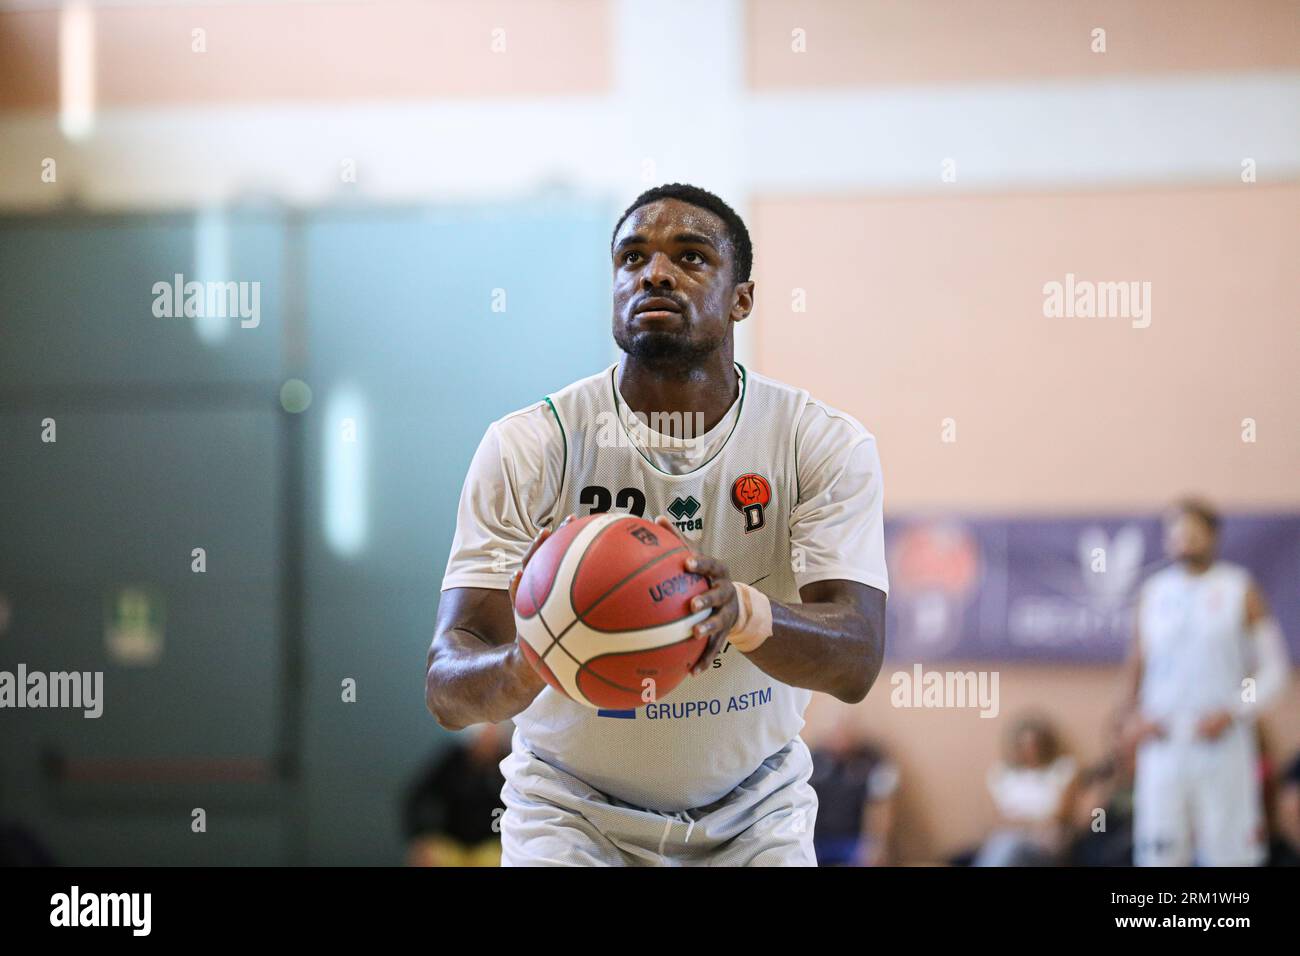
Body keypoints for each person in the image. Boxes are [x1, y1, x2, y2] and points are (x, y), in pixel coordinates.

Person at [426, 183, 889, 866]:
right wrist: (527, 662)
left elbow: (855, 659)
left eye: (691, 256)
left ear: (743, 298)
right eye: (632, 256)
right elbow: (446, 682)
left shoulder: (819, 443)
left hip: (755, 810)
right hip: (569, 808)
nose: (655, 272)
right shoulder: (530, 445)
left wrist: (743, 614)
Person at [1117, 498, 1290, 866]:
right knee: (1159, 852)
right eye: (1177, 533)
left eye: (1194, 532)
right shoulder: (1154, 592)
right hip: (1162, 742)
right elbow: (1138, 662)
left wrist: (1234, 711)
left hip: (1220, 741)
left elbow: (1275, 669)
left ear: (1212, 535)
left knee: (1231, 852)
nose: (1185, 540)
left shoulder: (1238, 589)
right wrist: (1132, 717)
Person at [973, 714, 1077, 866]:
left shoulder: (1062, 769)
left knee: (1008, 847)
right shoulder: (1002, 773)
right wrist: (1031, 822)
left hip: (1045, 843)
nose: (1030, 750)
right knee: (1005, 845)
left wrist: (1020, 823)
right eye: (1024, 745)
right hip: (1007, 839)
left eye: (1035, 744)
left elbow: (1060, 816)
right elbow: (994, 821)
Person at [403, 723, 512, 867]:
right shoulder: (451, 761)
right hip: (450, 844)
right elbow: (417, 798)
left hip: (493, 847)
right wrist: (420, 837)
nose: (487, 742)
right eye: (484, 736)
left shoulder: (508, 764)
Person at [808, 720, 899, 866]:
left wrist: (876, 844)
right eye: (835, 733)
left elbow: (881, 806)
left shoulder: (872, 761)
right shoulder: (811, 760)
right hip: (817, 840)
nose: (840, 739)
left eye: (844, 733)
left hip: (854, 841)